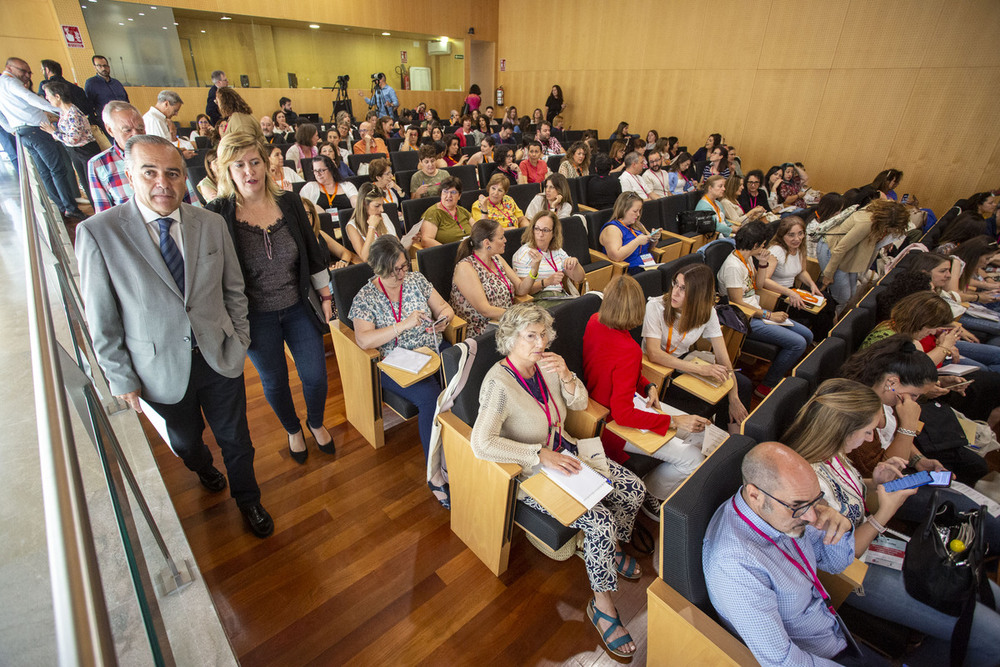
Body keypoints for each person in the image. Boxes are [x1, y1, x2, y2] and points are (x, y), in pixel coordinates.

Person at [76, 134, 272, 537]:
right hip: (157, 368)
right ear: (130, 175)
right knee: (185, 442)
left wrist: (239, 340)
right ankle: (202, 467)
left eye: (172, 173)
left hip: (220, 355)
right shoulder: (100, 232)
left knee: (237, 438)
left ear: (185, 178)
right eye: (150, 172)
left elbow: (234, 289)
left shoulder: (211, 223)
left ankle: (249, 500)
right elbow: (102, 319)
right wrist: (122, 378)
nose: (162, 182)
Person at [783, 379, 1000, 667]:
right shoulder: (803, 483)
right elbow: (840, 561)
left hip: (878, 547)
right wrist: (884, 513)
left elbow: (853, 495)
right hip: (852, 574)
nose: (871, 439)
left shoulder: (833, 454)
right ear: (841, 429)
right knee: (992, 638)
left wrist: (876, 483)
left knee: (986, 593)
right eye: (867, 431)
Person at [471, 303, 645, 658]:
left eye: (544, 334)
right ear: (509, 339)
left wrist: (566, 376)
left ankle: (609, 552)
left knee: (634, 491)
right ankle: (603, 606)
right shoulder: (499, 383)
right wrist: (538, 454)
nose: (540, 342)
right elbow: (482, 443)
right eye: (530, 336)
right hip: (533, 471)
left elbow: (579, 402)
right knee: (600, 521)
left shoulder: (547, 365)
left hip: (567, 453)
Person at [206, 131, 334, 466]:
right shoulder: (218, 213)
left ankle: (316, 422)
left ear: (265, 164)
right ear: (228, 172)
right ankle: (293, 429)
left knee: (316, 377)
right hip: (254, 317)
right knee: (275, 381)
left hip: (298, 307)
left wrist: (325, 295)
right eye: (239, 166)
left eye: (254, 162)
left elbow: (311, 249)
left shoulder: (289, 202)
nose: (249, 171)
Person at [703, 442, 861, 667]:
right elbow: (784, 661)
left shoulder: (787, 510)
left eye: (815, 501)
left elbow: (835, 564)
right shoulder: (735, 565)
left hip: (834, 631)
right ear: (755, 496)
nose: (812, 518)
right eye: (798, 506)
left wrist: (840, 526)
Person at [584, 275, 712, 507]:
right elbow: (623, 415)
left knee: (700, 433)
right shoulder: (629, 349)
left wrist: (648, 385)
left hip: (612, 406)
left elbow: (619, 371)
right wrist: (674, 421)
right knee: (693, 459)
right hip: (614, 424)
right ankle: (652, 495)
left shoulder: (594, 320)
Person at [350, 235, 453, 504]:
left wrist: (443, 319)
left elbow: (444, 307)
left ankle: (459, 452)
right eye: (396, 269)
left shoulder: (416, 280)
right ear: (379, 268)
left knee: (461, 377)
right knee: (430, 397)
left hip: (430, 348)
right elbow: (364, 339)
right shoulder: (366, 296)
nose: (402, 273)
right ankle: (434, 472)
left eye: (404, 266)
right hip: (396, 362)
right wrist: (403, 325)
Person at [643, 263, 752, 434]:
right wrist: (702, 369)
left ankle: (732, 440)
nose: (675, 292)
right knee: (714, 397)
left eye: (683, 289)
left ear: (697, 295)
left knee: (742, 385)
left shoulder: (707, 312)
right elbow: (654, 354)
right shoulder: (656, 306)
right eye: (675, 285)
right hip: (659, 370)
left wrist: (734, 397)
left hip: (683, 363)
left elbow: (724, 359)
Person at [718, 221, 813, 397]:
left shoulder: (746, 259)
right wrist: (769, 315)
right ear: (755, 245)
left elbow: (759, 284)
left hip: (757, 311)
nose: (764, 247)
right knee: (798, 343)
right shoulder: (733, 266)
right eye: (762, 245)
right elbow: (737, 303)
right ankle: (766, 386)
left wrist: (762, 263)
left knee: (807, 335)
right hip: (746, 318)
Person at [0, 57, 88, 220]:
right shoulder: (10, 83)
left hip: (23, 131)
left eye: (29, 72)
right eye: (23, 71)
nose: (27, 75)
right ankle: (70, 208)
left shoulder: (2, 84)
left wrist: (11, 129)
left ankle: (61, 207)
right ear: (10, 68)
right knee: (57, 169)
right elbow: (29, 98)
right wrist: (60, 109)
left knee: (45, 171)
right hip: (37, 130)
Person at [818, 199, 909, 310]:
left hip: (848, 253)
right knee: (843, 297)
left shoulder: (876, 217)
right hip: (831, 250)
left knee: (852, 294)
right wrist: (828, 274)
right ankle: (832, 321)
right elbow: (840, 249)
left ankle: (837, 317)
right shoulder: (866, 223)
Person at [451, 219, 531, 337]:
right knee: (531, 334)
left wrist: (534, 268)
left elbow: (521, 289)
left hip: (506, 320)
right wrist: (519, 315)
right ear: (487, 243)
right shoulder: (466, 267)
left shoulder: (496, 258)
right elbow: (485, 310)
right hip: (483, 329)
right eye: (501, 237)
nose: (505, 240)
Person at [39, 80, 101, 204]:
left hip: (85, 151)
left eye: (48, 95)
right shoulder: (64, 113)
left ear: (57, 96)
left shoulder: (73, 113)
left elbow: (74, 138)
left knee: (93, 185)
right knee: (86, 185)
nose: (47, 98)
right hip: (77, 151)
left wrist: (53, 132)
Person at [512, 211, 585, 299]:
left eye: (545, 230)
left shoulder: (557, 251)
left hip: (560, 296)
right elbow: (523, 291)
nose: (540, 234)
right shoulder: (523, 254)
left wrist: (575, 264)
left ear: (554, 233)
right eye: (537, 229)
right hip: (539, 300)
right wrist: (546, 282)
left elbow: (579, 278)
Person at [760, 215, 824, 308]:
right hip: (776, 296)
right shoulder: (776, 251)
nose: (797, 239)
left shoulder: (799, 248)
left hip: (792, 291)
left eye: (800, 233)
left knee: (827, 302)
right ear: (782, 236)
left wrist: (811, 284)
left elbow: (801, 271)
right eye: (791, 235)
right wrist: (789, 292)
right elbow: (764, 280)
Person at [599, 192, 660, 275]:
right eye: (635, 211)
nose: (638, 214)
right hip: (629, 271)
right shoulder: (612, 229)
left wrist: (654, 238)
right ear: (624, 209)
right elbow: (616, 256)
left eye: (639, 211)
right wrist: (637, 241)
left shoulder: (637, 224)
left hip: (649, 265)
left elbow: (649, 247)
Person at [346, 183, 406, 261]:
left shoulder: (384, 216)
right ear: (364, 204)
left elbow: (397, 245)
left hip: (393, 262)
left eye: (382, 205)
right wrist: (371, 227)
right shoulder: (352, 226)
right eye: (377, 206)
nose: (382, 210)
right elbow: (365, 258)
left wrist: (410, 241)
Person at [38, 59, 93, 126]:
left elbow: (42, 104)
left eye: (42, 70)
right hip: (84, 123)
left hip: (62, 125)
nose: (47, 97)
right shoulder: (77, 88)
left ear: (47, 70)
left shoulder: (46, 85)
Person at [84, 55, 129, 134]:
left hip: (124, 119)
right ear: (95, 67)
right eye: (99, 66)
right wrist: (95, 123)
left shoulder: (116, 83)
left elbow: (126, 100)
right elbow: (89, 105)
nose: (103, 68)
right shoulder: (91, 83)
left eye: (105, 66)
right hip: (107, 123)